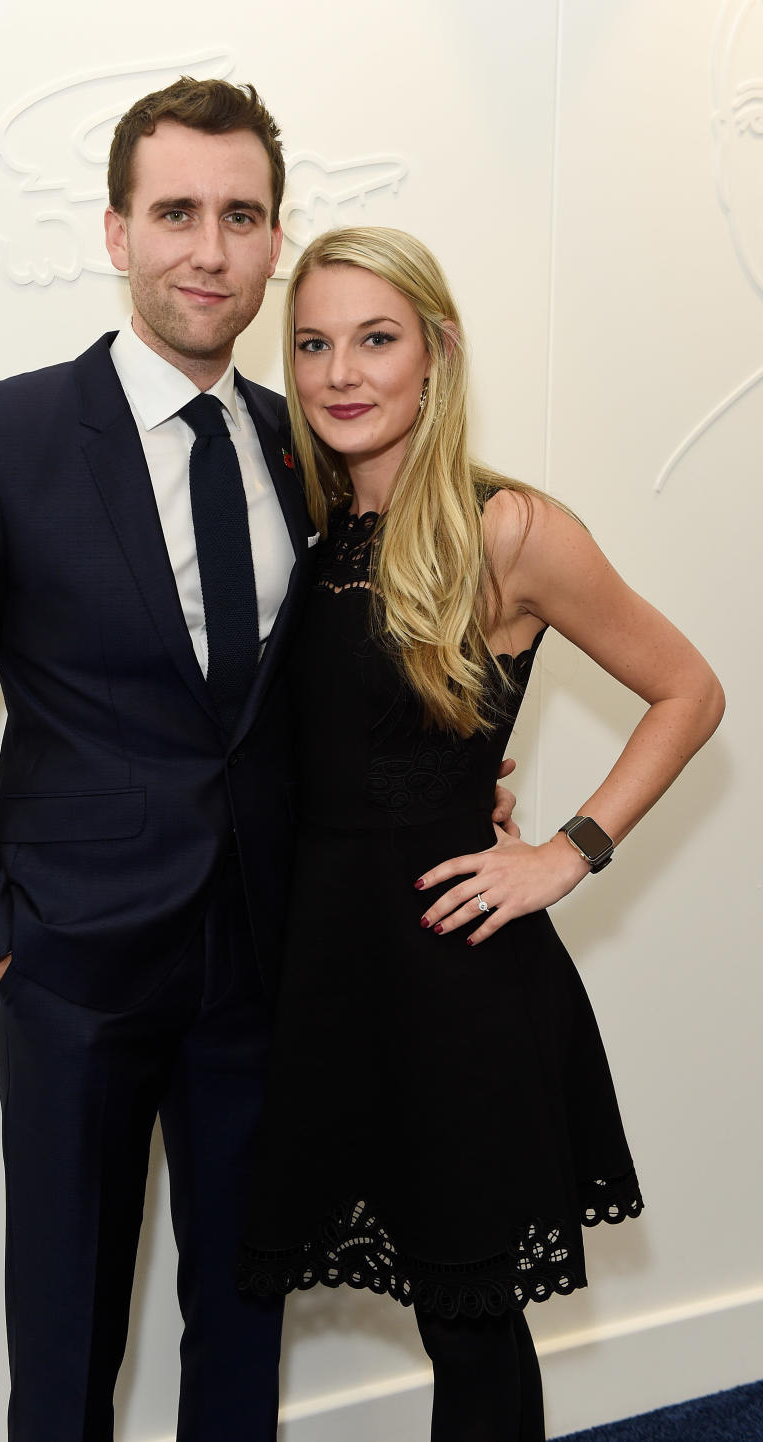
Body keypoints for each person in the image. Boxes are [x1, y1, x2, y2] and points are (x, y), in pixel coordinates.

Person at [0, 77, 520, 1440]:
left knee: (242, 1317)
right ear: (115, 231)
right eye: (175, 213)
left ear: (277, 242)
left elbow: (334, 683)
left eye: (240, 215)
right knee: (65, 1340)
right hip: (70, 972)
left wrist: (446, 778)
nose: (207, 249)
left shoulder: (318, 438)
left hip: (272, 967)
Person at [237, 226, 725, 1442]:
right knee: (437, 1306)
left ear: (437, 355)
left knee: (469, 1314)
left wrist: (567, 848)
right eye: (313, 344)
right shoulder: (313, 525)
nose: (343, 371)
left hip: (453, 980)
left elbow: (691, 689)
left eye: (376, 339)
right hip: (329, 975)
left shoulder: (507, 527)